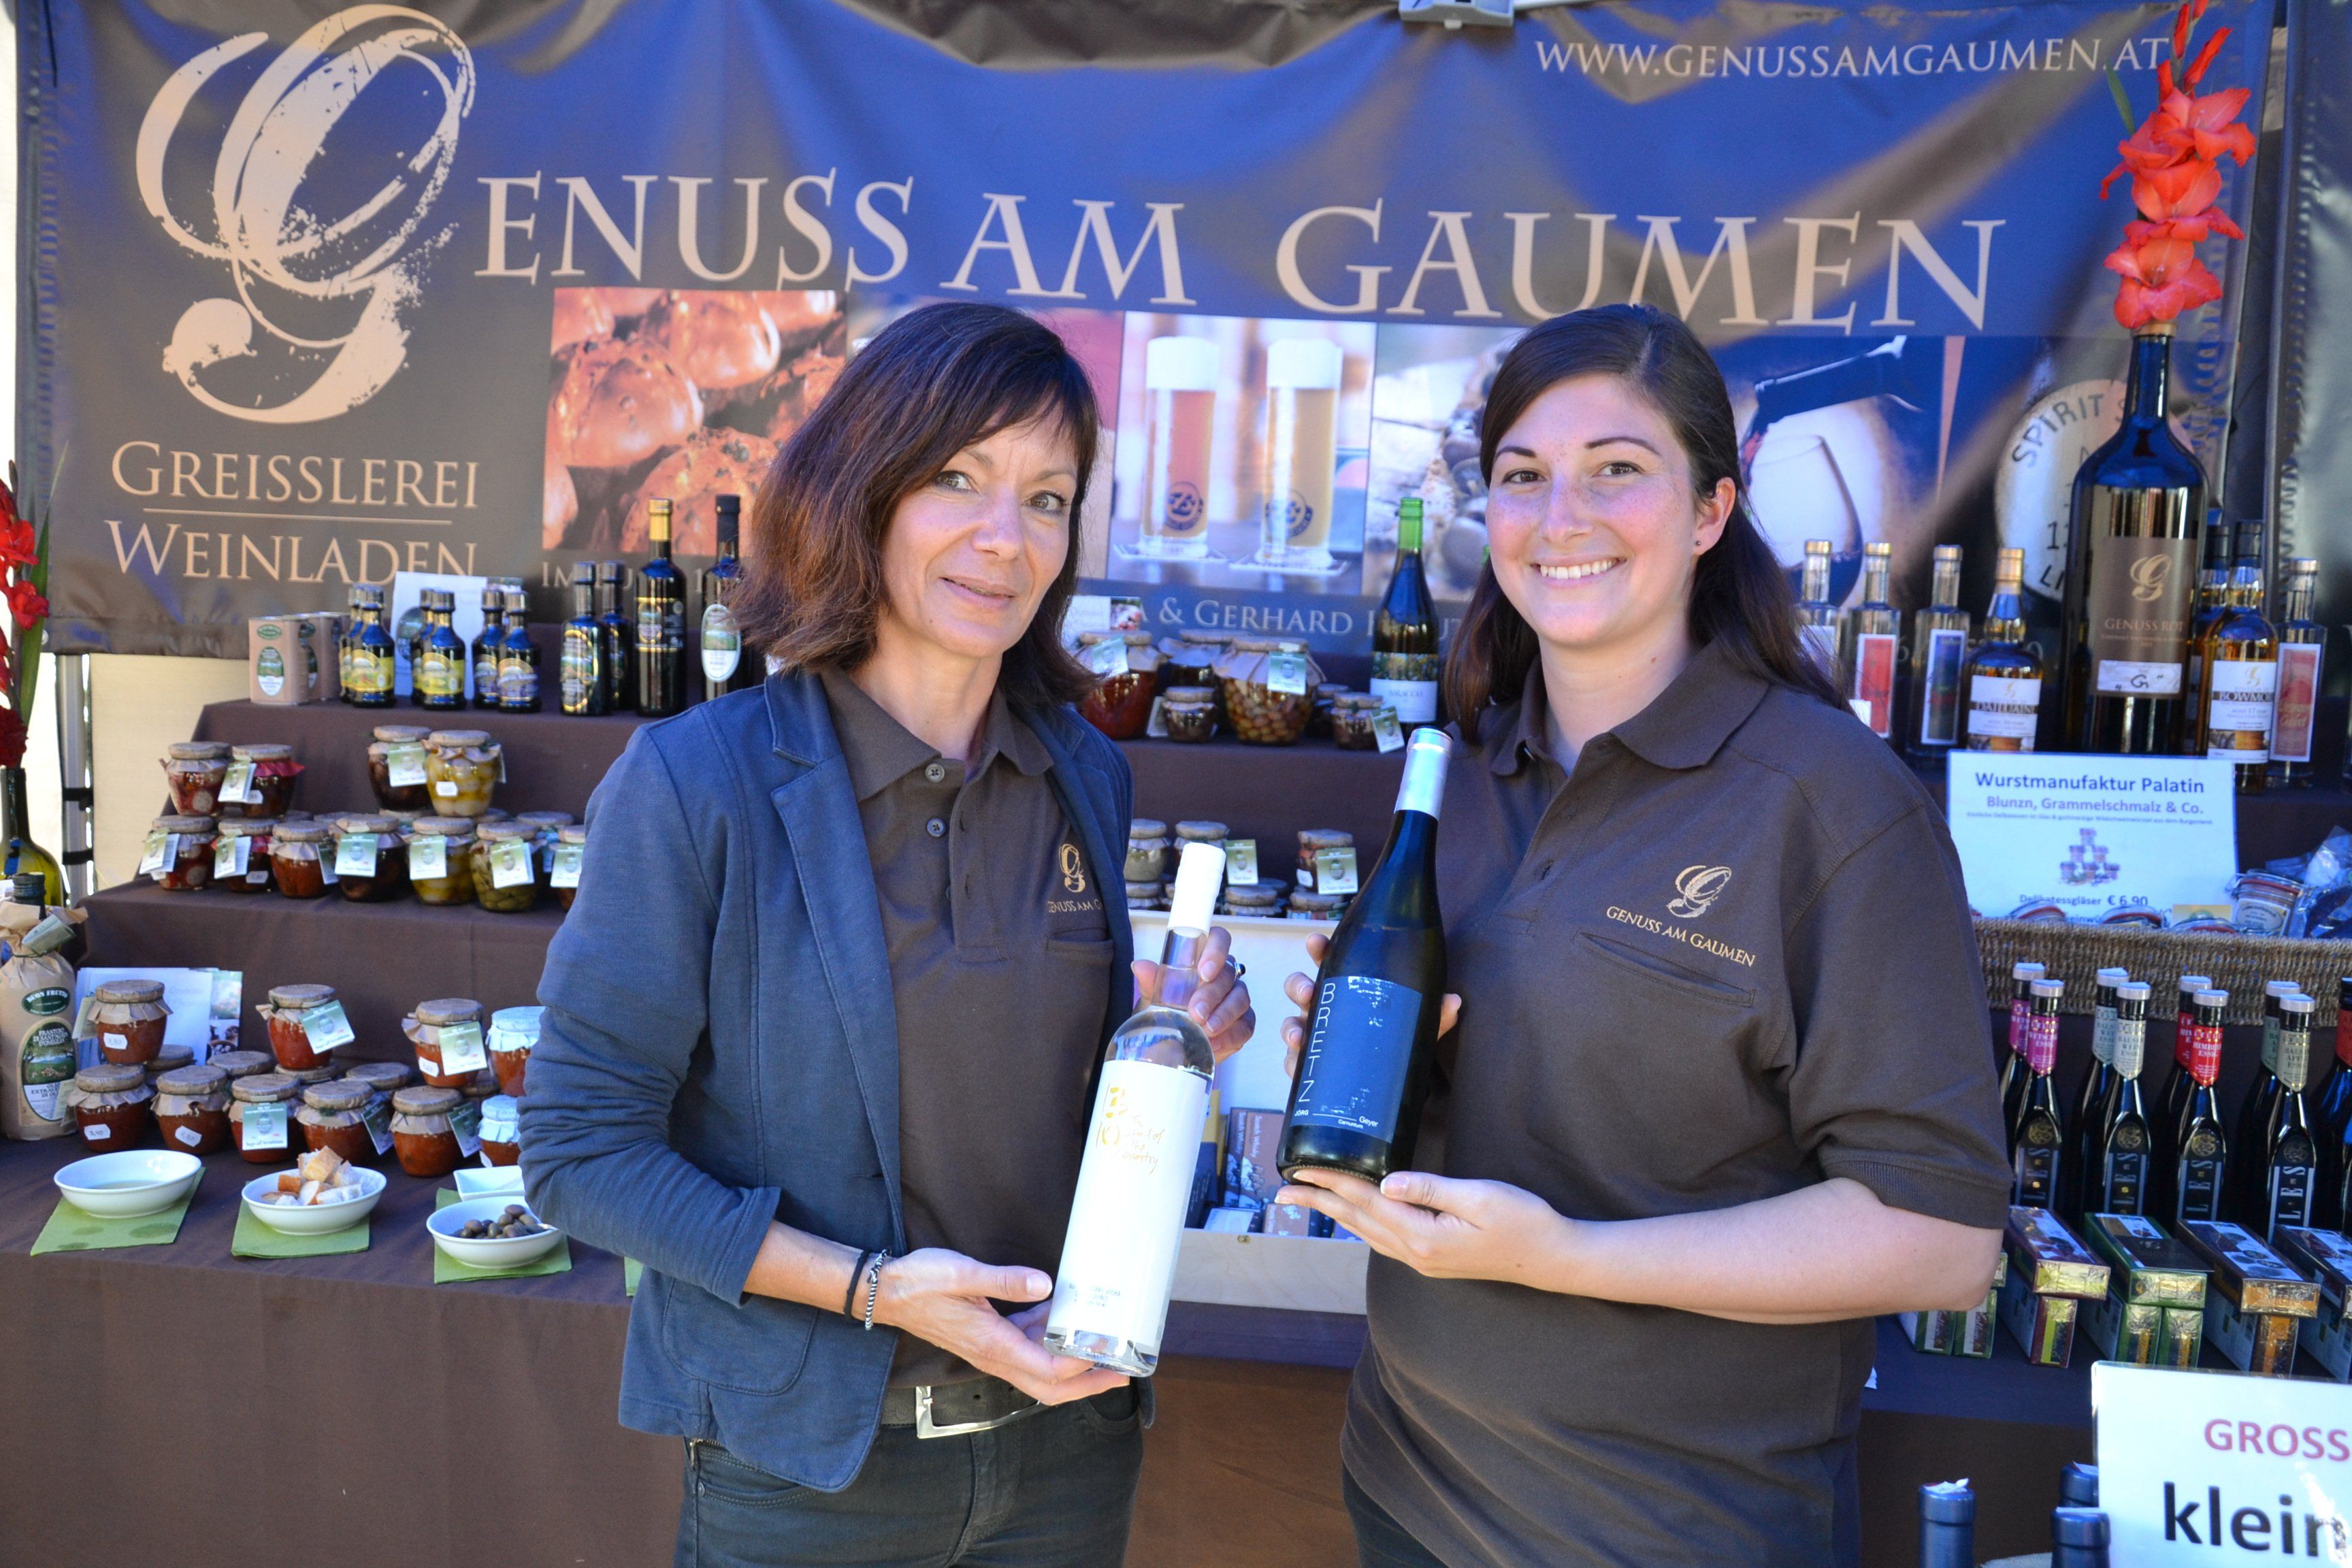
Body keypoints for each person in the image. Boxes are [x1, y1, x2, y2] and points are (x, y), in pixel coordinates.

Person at [522, 301, 1255, 1568]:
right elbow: (579, 1152)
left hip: (1064, 1455)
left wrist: (1169, 1054)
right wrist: (870, 1290)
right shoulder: (700, 784)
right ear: (862, 494)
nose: (1004, 536)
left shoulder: (1083, 773)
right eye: (955, 479)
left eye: (1047, 498)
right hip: (812, 1476)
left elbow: (1034, 1108)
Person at [1275, 305, 2010, 1568]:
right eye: (1523, 476)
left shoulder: (1832, 806)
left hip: (1670, 1529)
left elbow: (1939, 1242)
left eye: (1617, 470)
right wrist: (1374, 1071)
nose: (1562, 517)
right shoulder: (1458, 778)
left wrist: (1566, 1258)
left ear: (1713, 510)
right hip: (1409, 1487)